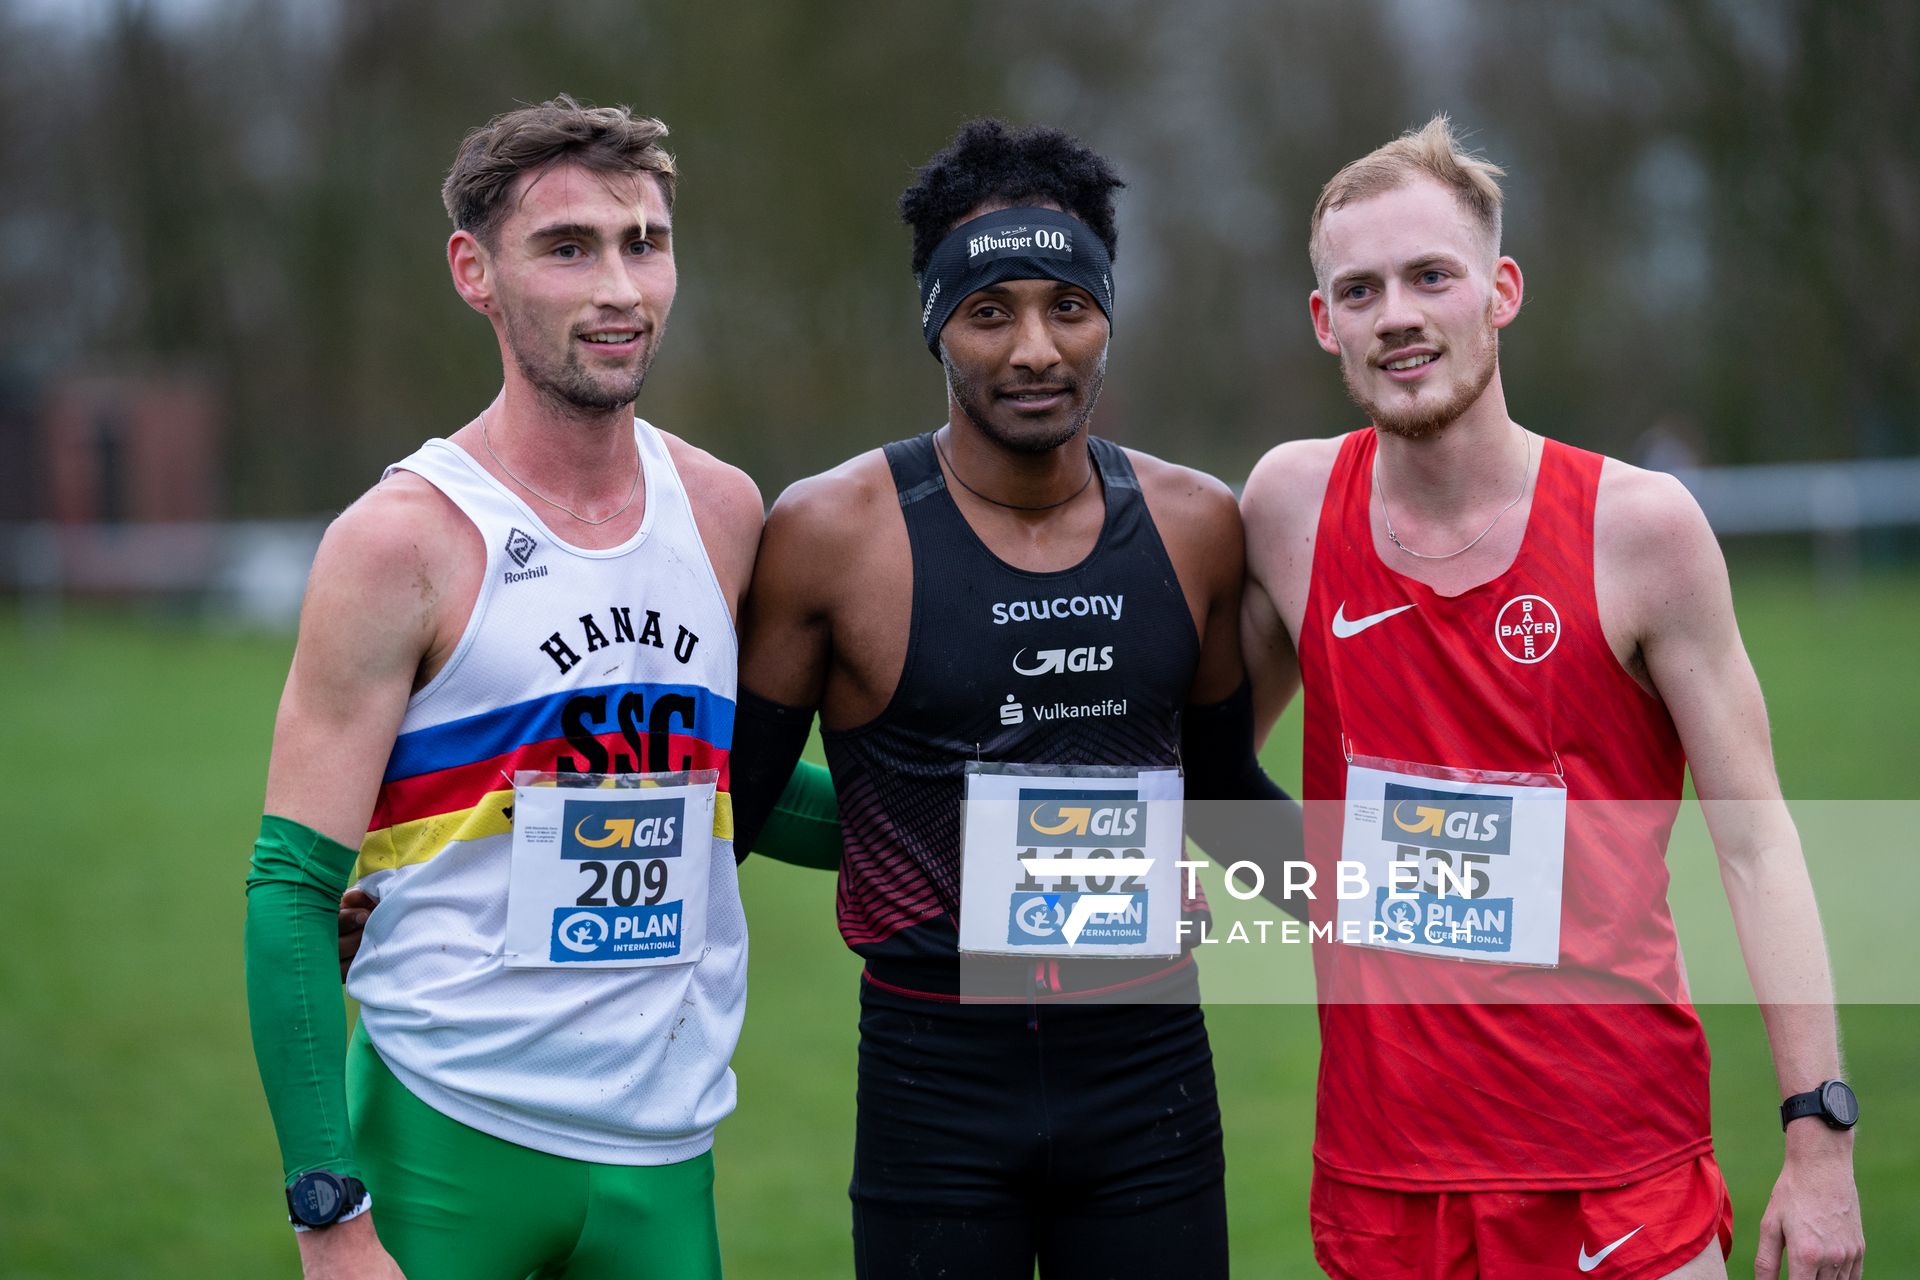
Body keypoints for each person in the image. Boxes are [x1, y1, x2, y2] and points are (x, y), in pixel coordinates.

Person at [1238, 116, 1865, 1280]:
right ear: (1326, 321)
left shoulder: (1642, 529)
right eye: (1361, 289)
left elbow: (1757, 842)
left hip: (1617, 1171)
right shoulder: (1286, 507)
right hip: (1384, 1181)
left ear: (1500, 290)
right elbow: (1197, 768)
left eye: (1433, 275)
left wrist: (1817, 1138)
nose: (1400, 315)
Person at [245, 95, 825, 1280]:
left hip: (667, 1145)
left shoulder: (722, 511)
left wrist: (991, 824)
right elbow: (289, 883)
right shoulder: (402, 540)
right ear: (476, 270)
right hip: (446, 1133)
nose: (619, 286)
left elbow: (736, 794)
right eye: (569, 247)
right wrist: (329, 1215)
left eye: (643, 244)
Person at [728, 119, 1288, 1280]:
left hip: (1151, 1079)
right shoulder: (831, 535)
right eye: (991, 312)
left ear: (1107, 318)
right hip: (933, 1081)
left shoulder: (1196, 525)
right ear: (936, 324)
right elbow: (722, 814)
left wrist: (1492, 902)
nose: (1035, 348)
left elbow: (1227, 797)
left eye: (1066, 307)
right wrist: (445, 888)